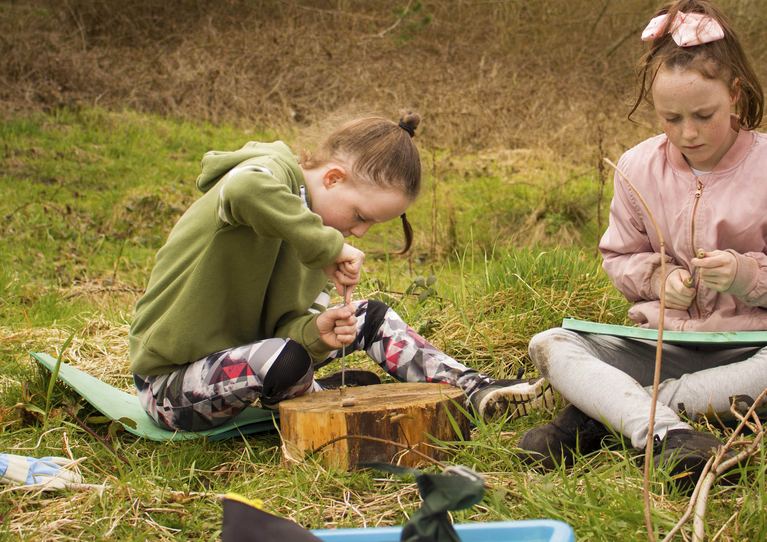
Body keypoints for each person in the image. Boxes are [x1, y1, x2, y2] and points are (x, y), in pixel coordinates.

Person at [518, 0, 767, 475]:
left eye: (703, 115)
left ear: (734, 93)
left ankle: (600, 413)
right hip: (660, 346)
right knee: (551, 343)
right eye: (671, 119)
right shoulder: (635, 167)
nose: (688, 133)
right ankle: (669, 432)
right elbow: (619, 257)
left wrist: (744, 275)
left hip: (753, 349)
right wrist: (657, 280)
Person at [129, 111, 552, 432]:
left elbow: (285, 331)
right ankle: (318, 396)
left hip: (255, 361)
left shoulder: (316, 232)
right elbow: (244, 190)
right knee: (282, 360)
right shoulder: (268, 172)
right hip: (171, 386)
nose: (360, 232)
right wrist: (326, 246)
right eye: (360, 215)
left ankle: (474, 390)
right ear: (332, 178)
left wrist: (317, 332)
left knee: (370, 318)